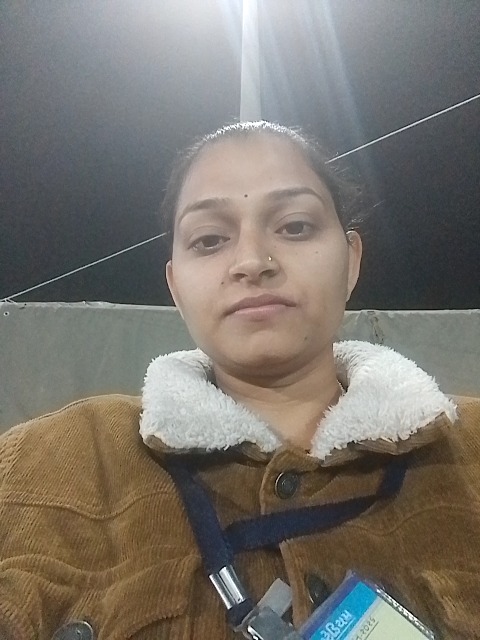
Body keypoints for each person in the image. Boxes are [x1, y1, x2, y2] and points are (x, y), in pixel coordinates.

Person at [0, 121, 479, 640]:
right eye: (209, 239)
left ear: (351, 261)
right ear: (176, 286)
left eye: (295, 226)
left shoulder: (469, 449)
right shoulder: (43, 464)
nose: (252, 262)